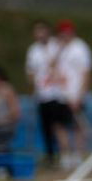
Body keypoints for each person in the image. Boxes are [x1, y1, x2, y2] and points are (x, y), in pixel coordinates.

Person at [49, 20, 92, 170]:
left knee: (76, 127)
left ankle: (79, 156)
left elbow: (85, 73)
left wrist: (79, 94)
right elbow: (51, 65)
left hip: (74, 94)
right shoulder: (58, 48)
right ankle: (65, 156)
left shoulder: (80, 48)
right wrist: (58, 50)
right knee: (58, 125)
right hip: (59, 93)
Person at [25, 20, 61, 167]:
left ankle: (62, 153)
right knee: (45, 127)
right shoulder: (33, 50)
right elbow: (30, 71)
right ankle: (50, 155)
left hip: (57, 93)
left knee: (58, 126)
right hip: (41, 94)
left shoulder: (55, 45)